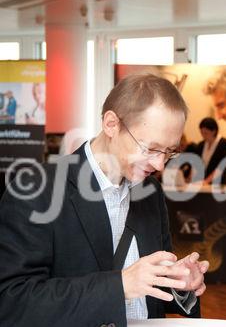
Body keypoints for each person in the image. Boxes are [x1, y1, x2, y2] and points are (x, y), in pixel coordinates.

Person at [0, 74, 209, 326]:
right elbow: (13, 302)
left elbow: (150, 294)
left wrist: (179, 284)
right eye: (151, 149)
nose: (159, 164)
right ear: (111, 124)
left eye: (170, 151)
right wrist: (120, 285)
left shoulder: (149, 192)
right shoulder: (37, 189)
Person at [193, 117, 226, 184]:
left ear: (214, 131)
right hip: (202, 182)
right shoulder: (201, 145)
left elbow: (222, 166)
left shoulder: (224, 143)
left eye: (206, 133)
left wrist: (207, 181)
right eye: (201, 133)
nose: (203, 136)